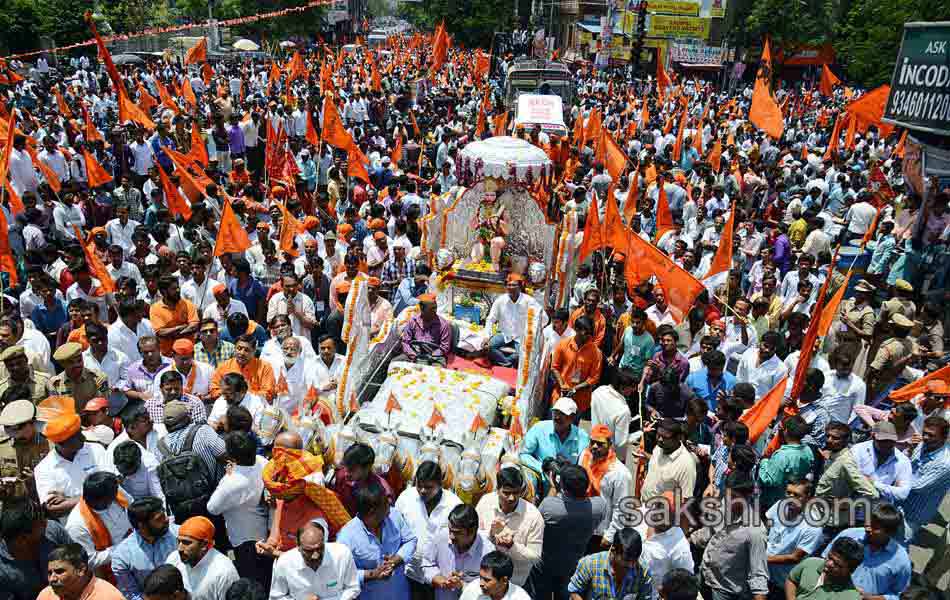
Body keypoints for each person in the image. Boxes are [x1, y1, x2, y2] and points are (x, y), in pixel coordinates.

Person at [529, 465, 607, 600]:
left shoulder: (550, 507)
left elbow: (536, 519)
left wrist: (553, 487)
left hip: (545, 565)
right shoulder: (599, 506)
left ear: (563, 488)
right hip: (572, 566)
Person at [691, 472, 768, 600]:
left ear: (748, 496)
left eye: (734, 497)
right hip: (704, 576)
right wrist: (688, 540)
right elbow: (709, 532)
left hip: (724, 592)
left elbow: (758, 574)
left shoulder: (755, 532)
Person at [336, 479, 417, 600]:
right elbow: (341, 574)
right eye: (386, 503)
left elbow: (411, 540)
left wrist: (396, 559)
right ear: (372, 511)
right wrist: (373, 574)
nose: (390, 504)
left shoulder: (394, 516)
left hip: (400, 594)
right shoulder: (346, 537)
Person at [207, 433, 269, 583]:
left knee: (251, 579)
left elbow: (212, 508)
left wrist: (226, 477)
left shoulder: (231, 483)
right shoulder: (263, 462)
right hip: (263, 529)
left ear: (232, 456)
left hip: (244, 540)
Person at [394, 461, 463, 593]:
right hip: (409, 573)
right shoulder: (406, 498)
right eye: (419, 486)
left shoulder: (454, 505)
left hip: (441, 578)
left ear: (440, 485)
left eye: (428, 487)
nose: (422, 491)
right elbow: (395, 529)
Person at [822, 503, 912, 600]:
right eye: (868, 522)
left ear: (889, 532)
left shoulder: (901, 561)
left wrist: (869, 598)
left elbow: (898, 595)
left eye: (875, 527)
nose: (867, 528)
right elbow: (824, 560)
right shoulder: (849, 535)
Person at [34, 412, 109, 519]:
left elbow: (113, 485)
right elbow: (52, 509)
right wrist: (97, 495)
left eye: (80, 433)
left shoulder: (96, 450)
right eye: (77, 437)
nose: (83, 438)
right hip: (79, 528)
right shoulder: (44, 469)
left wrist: (69, 500)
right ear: (61, 443)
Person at [268, 518, 360, 600]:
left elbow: (353, 588)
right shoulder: (284, 563)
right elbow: (276, 596)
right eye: (309, 551)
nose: (315, 555)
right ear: (298, 547)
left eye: (319, 549)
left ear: (324, 542)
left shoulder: (342, 554)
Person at [63, 471, 132, 578]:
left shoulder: (113, 490)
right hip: (114, 570)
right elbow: (89, 560)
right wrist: (124, 547)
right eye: (113, 496)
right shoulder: (77, 525)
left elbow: (131, 504)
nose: (117, 494)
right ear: (104, 500)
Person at [0, 500, 73, 600]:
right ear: (23, 539)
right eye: (41, 524)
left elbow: (79, 563)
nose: (46, 523)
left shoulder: (53, 531)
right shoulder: (2, 571)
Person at [422, 504, 495, 600]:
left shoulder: (488, 551)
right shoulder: (441, 537)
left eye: (457, 532)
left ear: (472, 531)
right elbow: (427, 563)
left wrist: (463, 585)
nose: (451, 536)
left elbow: (492, 588)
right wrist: (440, 580)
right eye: (450, 530)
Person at [112, 497, 179, 600]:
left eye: (164, 514)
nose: (166, 520)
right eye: (159, 519)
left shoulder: (180, 535)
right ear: (141, 525)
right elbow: (132, 594)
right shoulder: (122, 556)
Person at [763, 480, 824, 594]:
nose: (790, 498)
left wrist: (762, 558)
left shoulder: (813, 527)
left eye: (796, 495)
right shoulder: (779, 505)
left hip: (781, 582)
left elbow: (795, 557)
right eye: (788, 493)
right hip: (763, 572)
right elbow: (767, 526)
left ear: (808, 498)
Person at [579, 424, 633, 547]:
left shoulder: (619, 473)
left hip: (600, 533)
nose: (594, 447)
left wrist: (610, 536)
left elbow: (621, 507)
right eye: (592, 442)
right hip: (581, 524)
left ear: (610, 445)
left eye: (600, 444)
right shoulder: (584, 457)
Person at [567, 527, 653, 600]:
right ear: (613, 551)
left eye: (635, 560)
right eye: (626, 560)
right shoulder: (590, 563)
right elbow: (573, 591)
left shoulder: (643, 572)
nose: (632, 565)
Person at [166, 516, 239, 600]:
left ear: (204, 545)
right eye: (179, 541)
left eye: (186, 543)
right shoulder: (174, 558)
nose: (180, 548)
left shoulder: (224, 572)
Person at [520, 397, 590, 478]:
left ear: (572, 418)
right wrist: (543, 468)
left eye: (562, 414)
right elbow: (523, 454)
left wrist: (569, 470)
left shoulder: (582, 437)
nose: (557, 417)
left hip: (568, 484)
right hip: (540, 479)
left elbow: (584, 466)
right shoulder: (539, 428)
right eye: (555, 412)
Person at [481, 274, 540, 368]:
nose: (510, 287)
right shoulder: (501, 300)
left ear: (520, 286)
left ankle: (505, 362)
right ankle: (508, 364)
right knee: (489, 347)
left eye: (514, 285)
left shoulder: (529, 301)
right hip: (504, 334)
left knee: (521, 354)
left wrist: (531, 332)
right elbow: (490, 319)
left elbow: (543, 318)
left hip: (521, 336)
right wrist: (486, 337)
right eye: (508, 285)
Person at [550, 317, 603, 415]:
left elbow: (594, 378)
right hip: (560, 396)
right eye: (585, 333)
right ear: (576, 330)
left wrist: (575, 389)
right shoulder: (563, 344)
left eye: (589, 333)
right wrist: (562, 385)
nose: (588, 337)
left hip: (579, 402)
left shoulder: (596, 353)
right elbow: (554, 367)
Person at [785, 537, 864, 600]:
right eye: (829, 557)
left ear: (851, 570)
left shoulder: (851, 597)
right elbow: (792, 580)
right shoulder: (810, 563)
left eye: (837, 564)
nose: (829, 564)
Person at [37, 543, 125, 600]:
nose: (52, 579)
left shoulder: (108, 596)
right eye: (49, 573)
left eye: (59, 572)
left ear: (80, 570)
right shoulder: (46, 595)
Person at [639, 419, 697, 502]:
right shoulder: (660, 447)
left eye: (665, 437)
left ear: (678, 438)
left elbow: (685, 500)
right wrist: (646, 456)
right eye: (658, 435)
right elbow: (658, 463)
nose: (659, 439)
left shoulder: (686, 464)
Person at [332, 443, 395, 517]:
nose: (346, 473)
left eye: (351, 470)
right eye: (345, 467)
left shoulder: (383, 492)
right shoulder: (341, 476)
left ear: (366, 468)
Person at [590, 370, 636, 460]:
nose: (634, 390)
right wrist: (639, 434)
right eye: (632, 387)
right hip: (609, 456)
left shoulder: (598, 391)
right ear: (623, 387)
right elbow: (620, 443)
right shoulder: (623, 410)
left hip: (593, 445)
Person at [399, 294, 451, 364]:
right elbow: (405, 342)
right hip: (414, 354)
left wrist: (431, 356)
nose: (435, 311)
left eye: (435, 308)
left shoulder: (444, 325)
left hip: (434, 357)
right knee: (395, 364)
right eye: (431, 309)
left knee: (436, 372)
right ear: (422, 308)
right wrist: (412, 354)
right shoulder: (412, 321)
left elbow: (445, 347)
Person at [457, 552, 531, 600]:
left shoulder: (521, 597)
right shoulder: (472, 590)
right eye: (480, 577)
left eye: (487, 580)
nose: (481, 584)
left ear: (504, 580)